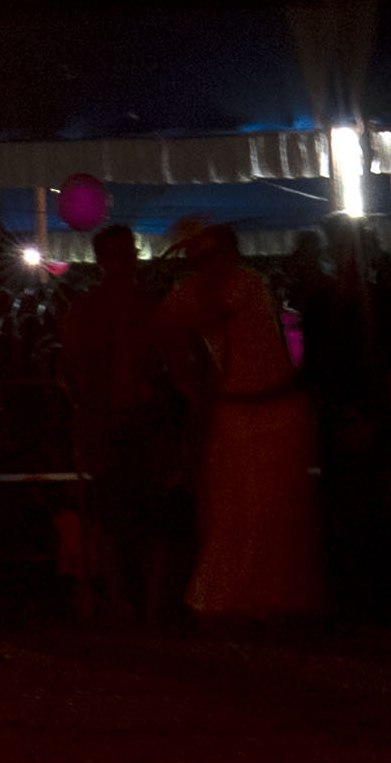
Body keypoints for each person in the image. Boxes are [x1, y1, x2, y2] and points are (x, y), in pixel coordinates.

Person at [154, 223, 321, 620]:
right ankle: (245, 600)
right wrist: (184, 379)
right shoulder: (208, 289)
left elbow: (202, 316)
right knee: (240, 511)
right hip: (240, 412)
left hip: (267, 410)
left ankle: (265, 600)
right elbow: (164, 329)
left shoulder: (245, 284)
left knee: (267, 512)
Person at [58, 217, 180, 625]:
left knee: (142, 517)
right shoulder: (97, 309)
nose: (127, 261)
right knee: (122, 519)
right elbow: (72, 372)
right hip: (114, 422)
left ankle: (137, 601)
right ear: (104, 260)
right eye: (121, 254)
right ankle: (131, 600)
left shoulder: (141, 306)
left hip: (136, 420)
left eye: (129, 254)